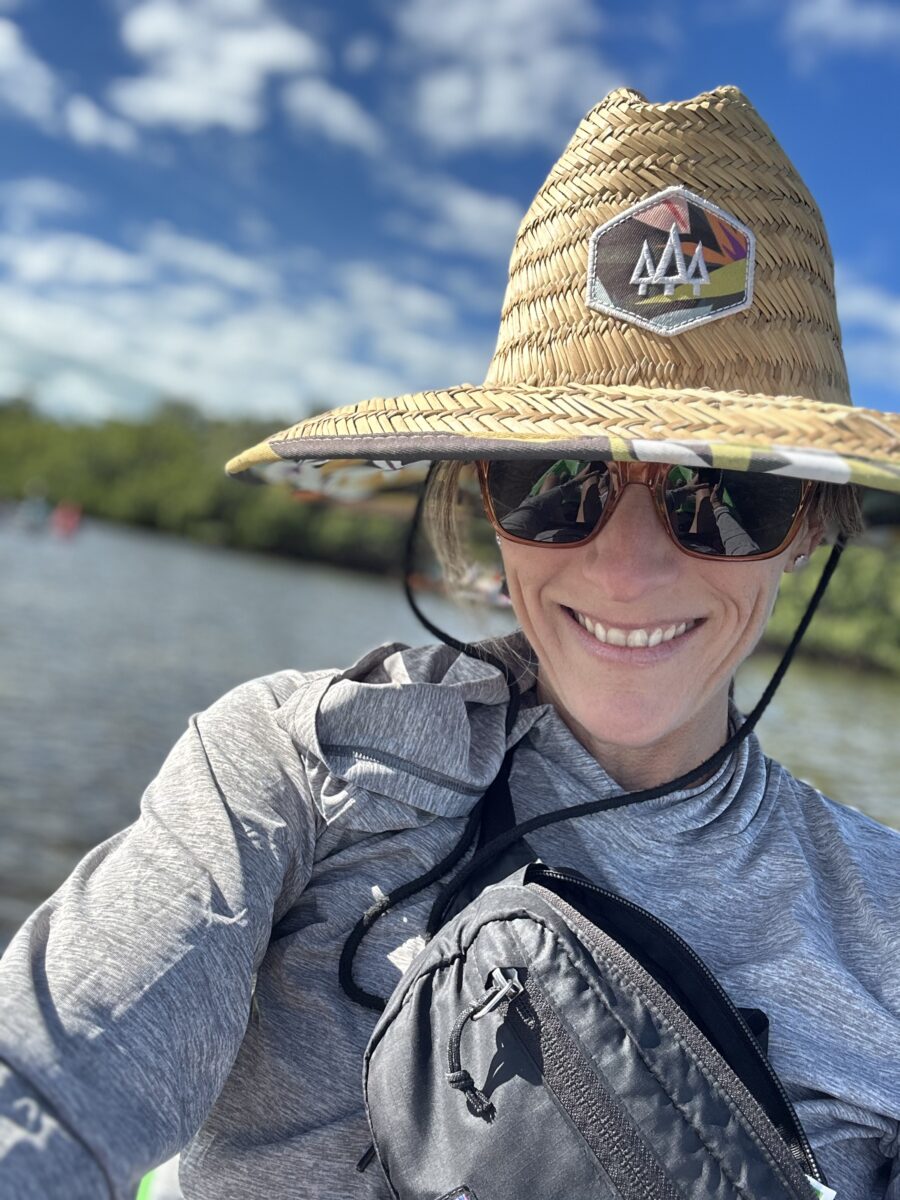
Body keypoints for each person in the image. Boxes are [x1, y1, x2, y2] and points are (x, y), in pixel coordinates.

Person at [2, 85, 900, 1200]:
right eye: (556, 482)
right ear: (486, 492)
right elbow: (36, 1090)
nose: (626, 570)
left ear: (808, 523)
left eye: (719, 496)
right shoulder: (297, 770)